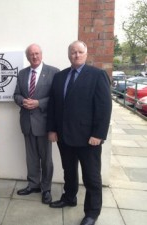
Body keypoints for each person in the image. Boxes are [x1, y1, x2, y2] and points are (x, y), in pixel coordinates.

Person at [47, 40, 112, 225]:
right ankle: (69, 197)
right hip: (64, 136)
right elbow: (53, 105)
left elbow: (104, 107)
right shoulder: (60, 76)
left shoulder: (97, 75)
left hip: (88, 138)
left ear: (86, 53)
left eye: (80, 52)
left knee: (91, 176)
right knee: (69, 171)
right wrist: (51, 129)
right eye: (73, 52)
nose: (76, 55)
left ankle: (92, 212)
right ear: (69, 55)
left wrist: (98, 135)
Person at [13, 44, 60, 204]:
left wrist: (39, 103)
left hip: (45, 123)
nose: (34, 56)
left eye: (37, 53)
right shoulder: (22, 74)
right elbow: (16, 94)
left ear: (41, 54)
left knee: (46, 159)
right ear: (27, 57)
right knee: (31, 158)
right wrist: (22, 101)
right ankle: (33, 184)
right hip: (27, 122)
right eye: (31, 54)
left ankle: (46, 189)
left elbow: (56, 98)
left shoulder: (53, 72)